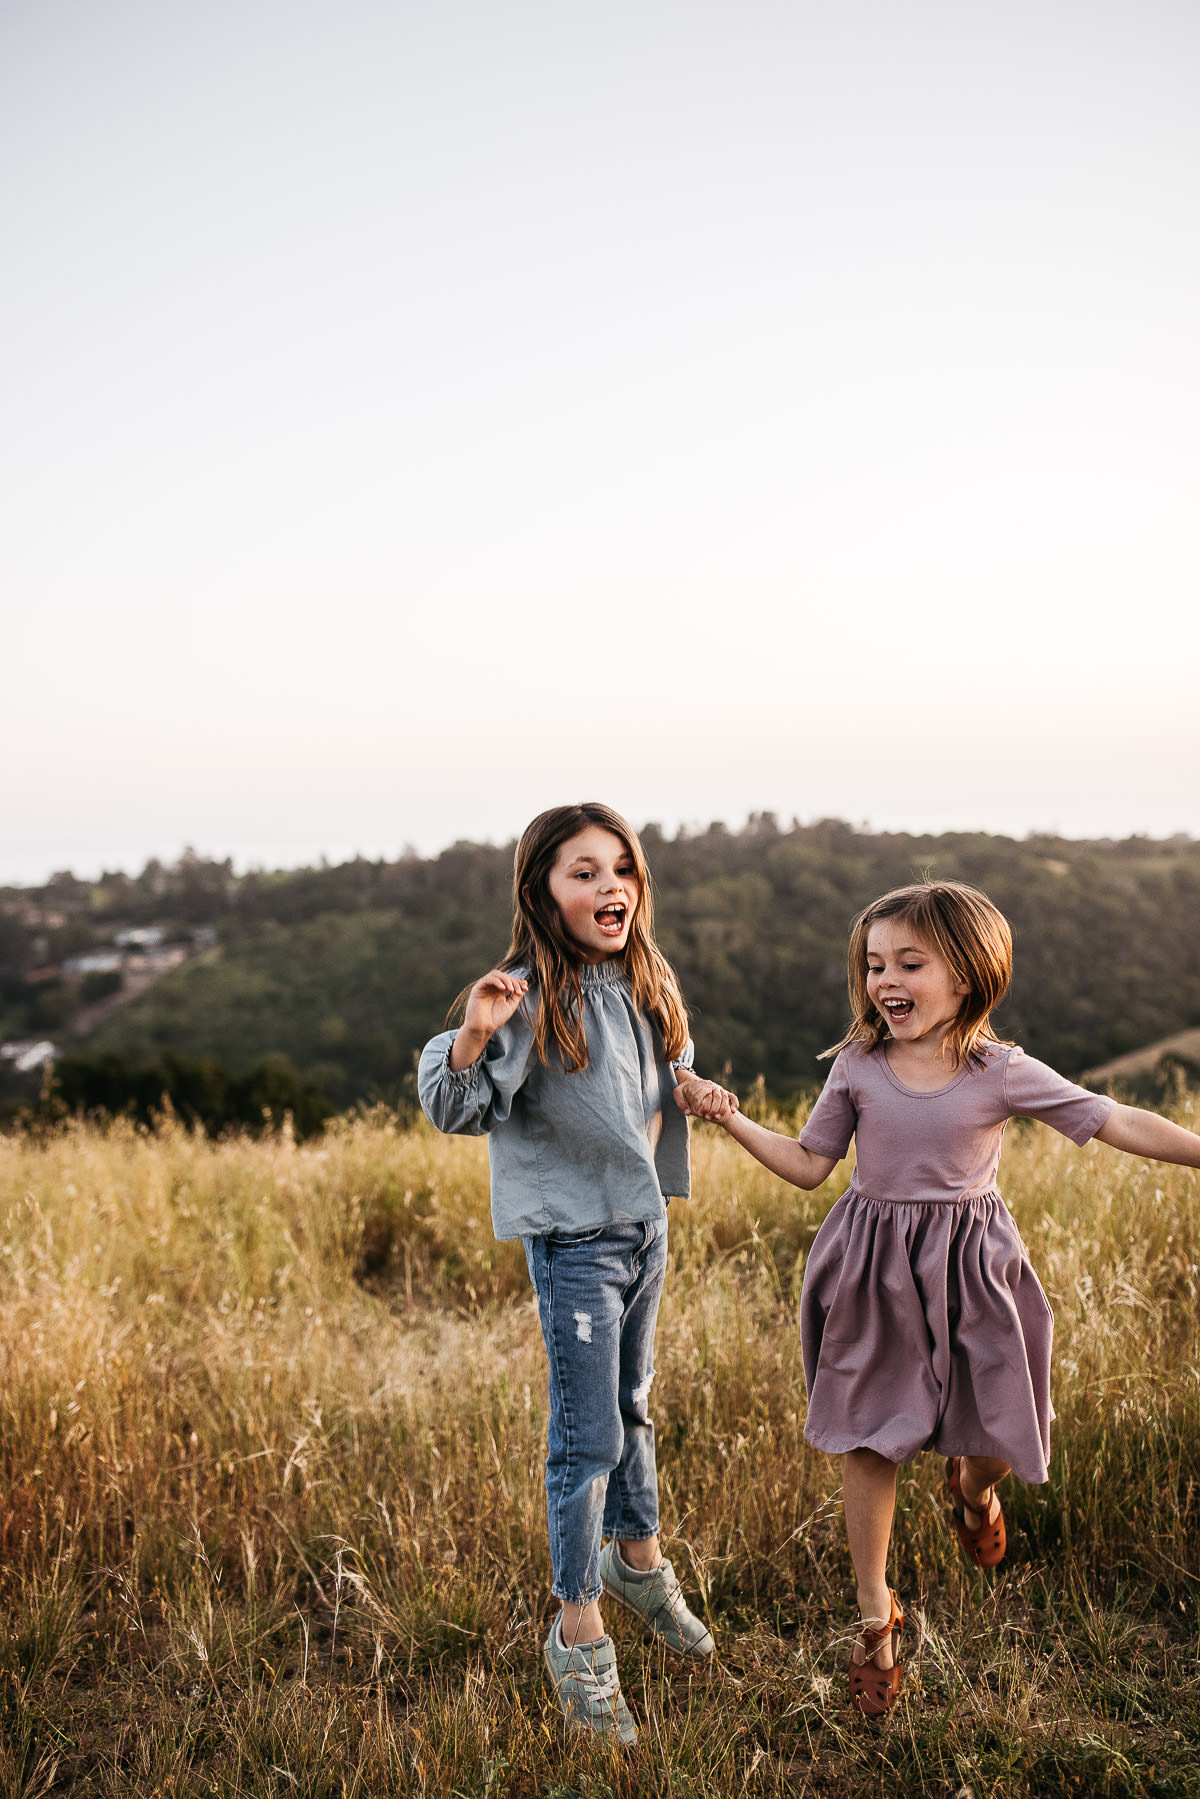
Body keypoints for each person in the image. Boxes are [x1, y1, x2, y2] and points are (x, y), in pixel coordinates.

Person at [678, 879, 1200, 1718]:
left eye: (909, 963)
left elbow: (1115, 1119)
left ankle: (970, 1487)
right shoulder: (858, 1067)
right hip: (875, 1273)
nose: (886, 979)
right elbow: (810, 1165)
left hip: (973, 1272)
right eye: (875, 963)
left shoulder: (1002, 1071)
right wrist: (730, 1118)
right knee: (869, 1439)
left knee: (1003, 1431)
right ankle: (874, 1616)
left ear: (966, 974)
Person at [418, 802, 726, 1746]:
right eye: (583, 872)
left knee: (634, 1404)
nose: (609, 886)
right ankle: (578, 1631)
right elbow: (452, 1103)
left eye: (620, 869)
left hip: (645, 1228)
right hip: (576, 1242)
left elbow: (663, 1070)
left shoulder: (643, 977)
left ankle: (639, 1561)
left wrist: (693, 1087)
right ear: (543, 891)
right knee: (586, 1436)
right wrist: (472, 1032)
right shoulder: (521, 996)